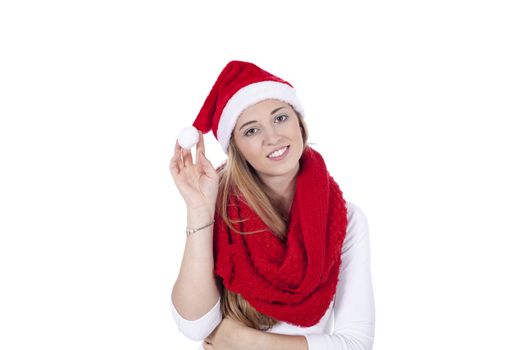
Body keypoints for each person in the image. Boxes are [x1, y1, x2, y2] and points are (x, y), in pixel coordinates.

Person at [169, 60, 375, 350]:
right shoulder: (219, 209)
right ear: (236, 148)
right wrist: (199, 210)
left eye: (280, 118)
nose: (273, 137)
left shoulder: (346, 219)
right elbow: (195, 325)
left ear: (299, 123)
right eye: (251, 131)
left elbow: (356, 344)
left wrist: (246, 341)